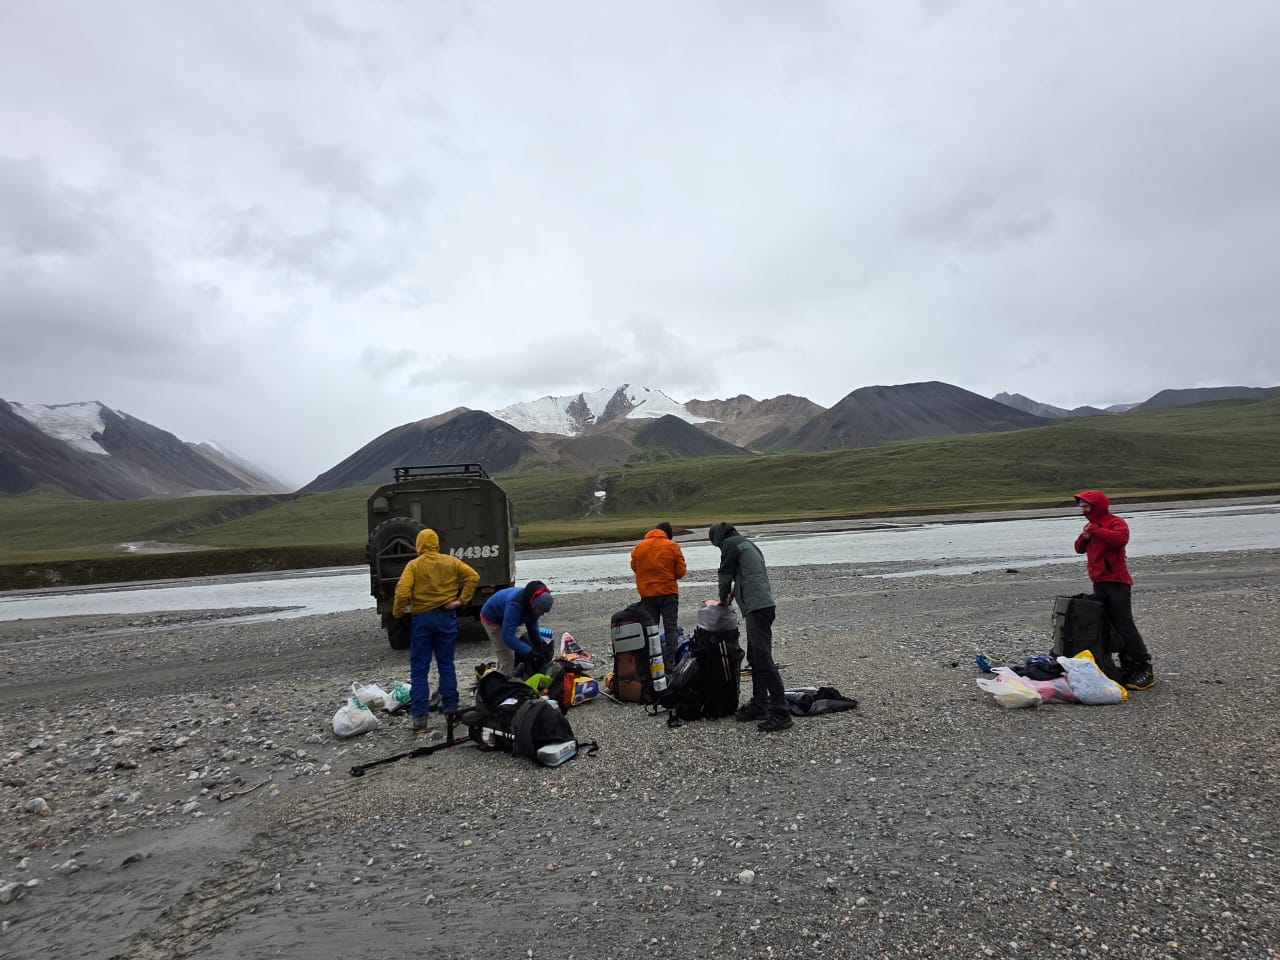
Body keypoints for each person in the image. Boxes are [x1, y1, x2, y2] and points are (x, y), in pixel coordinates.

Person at [391, 529, 480, 735]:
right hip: (446, 616)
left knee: (420, 668)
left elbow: (402, 591)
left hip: (422, 618)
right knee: (446, 664)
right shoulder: (450, 562)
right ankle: (451, 712)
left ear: (419, 544)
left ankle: (420, 720)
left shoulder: (414, 565)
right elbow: (473, 576)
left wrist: (398, 613)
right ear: (437, 543)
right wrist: (461, 600)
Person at [708, 521, 792, 732]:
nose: (718, 548)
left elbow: (724, 575)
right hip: (763, 606)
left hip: (757, 608)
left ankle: (781, 711)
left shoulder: (730, 545)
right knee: (756, 658)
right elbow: (744, 577)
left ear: (717, 538)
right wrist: (731, 597)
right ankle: (760, 704)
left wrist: (722, 599)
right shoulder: (748, 545)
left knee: (763, 659)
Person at [1073, 490, 1155, 690]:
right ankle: (1125, 665)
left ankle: (1144, 668)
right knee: (1107, 625)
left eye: (1086, 506)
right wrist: (1085, 536)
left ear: (1097, 506)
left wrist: (1095, 529)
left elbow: (1120, 540)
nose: (1082, 509)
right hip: (1099, 581)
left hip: (1117, 581)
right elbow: (1078, 548)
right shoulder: (1090, 526)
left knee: (1124, 625)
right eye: (1081, 506)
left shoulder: (1116, 522)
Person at [630, 521, 687, 650]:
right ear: (669, 534)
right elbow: (681, 571)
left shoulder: (639, 547)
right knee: (670, 627)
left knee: (650, 628)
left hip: (647, 593)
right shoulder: (672, 546)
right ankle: (671, 663)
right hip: (668, 592)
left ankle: (651, 661)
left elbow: (635, 567)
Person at [479, 580, 555, 677]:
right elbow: (508, 637)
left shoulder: (534, 601)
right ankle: (504, 686)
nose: (541, 614)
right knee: (507, 657)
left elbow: (532, 624)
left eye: (543, 612)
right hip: (492, 618)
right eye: (539, 611)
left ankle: (497, 675)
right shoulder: (515, 605)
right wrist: (530, 653)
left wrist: (539, 645)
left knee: (505, 654)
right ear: (533, 604)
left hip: (506, 615)